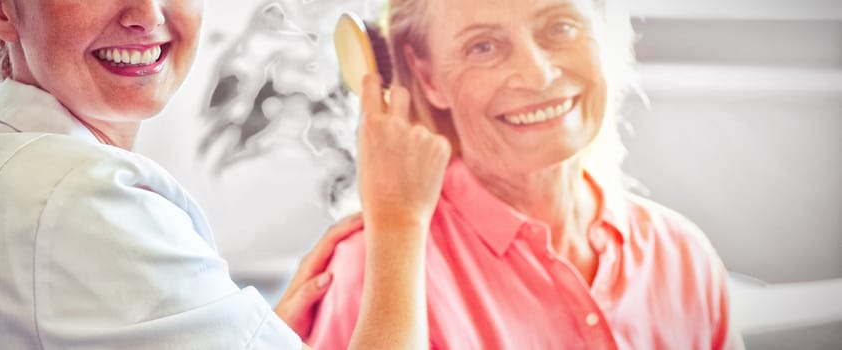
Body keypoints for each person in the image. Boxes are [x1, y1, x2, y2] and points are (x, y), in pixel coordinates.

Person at [0, 0, 449, 349]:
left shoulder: (16, 172)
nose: (147, 14)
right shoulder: (72, 202)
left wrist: (246, 331)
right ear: (0, 9)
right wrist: (399, 221)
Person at [309, 0, 745, 349]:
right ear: (427, 76)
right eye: (483, 47)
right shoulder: (374, 274)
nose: (537, 75)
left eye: (561, 27)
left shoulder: (681, 254)